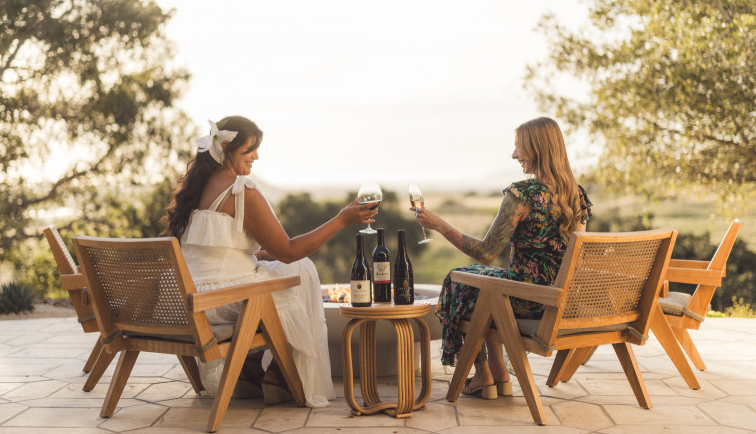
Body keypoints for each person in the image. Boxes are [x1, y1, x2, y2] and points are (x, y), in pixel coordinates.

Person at [162, 115, 377, 408]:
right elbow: (289, 250)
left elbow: (213, 252)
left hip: (186, 300)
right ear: (226, 149)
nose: (256, 156)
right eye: (250, 149)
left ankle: (249, 373)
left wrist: (259, 255)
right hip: (219, 302)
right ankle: (280, 375)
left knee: (272, 268)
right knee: (300, 269)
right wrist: (342, 220)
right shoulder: (240, 190)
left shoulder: (193, 191)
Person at [412, 117, 592, 399]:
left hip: (526, 299)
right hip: (559, 300)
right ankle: (498, 373)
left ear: (537, 148)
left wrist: (439, 225)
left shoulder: (523, 195)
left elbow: (486, 253)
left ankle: (483, 373)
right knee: (485, 285)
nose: (514, 155)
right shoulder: (576, 194)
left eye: (519, 147)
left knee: (459, 281)